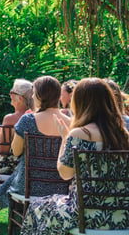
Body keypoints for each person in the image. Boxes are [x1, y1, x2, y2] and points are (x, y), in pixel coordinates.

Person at [21, 77, 129, 234]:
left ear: (81, 103)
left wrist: (65, 138)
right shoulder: (124, 136)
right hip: (123, 217)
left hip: (84, 215)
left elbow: (65, 174)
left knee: (37, 206)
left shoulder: (79, 135)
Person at [0, 75, 71, 214]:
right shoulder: (71, 123)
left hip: (28, 187)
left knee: (21, 168)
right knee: (20, 170)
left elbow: (16, 151)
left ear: (39, 96)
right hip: (61, 188)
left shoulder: (28, 120)